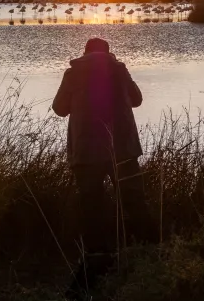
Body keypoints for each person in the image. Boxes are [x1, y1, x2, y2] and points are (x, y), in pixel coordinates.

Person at [52, 38, 157, 298]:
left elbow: (59, 108)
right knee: (134, 201)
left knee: (91, 207)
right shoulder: (119, 70)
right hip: (122, 149)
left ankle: (96, 260)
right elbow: (137, 100)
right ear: (108, 53)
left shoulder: (73, 72)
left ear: (86, 52)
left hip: (86, 153)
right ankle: (148, 253)